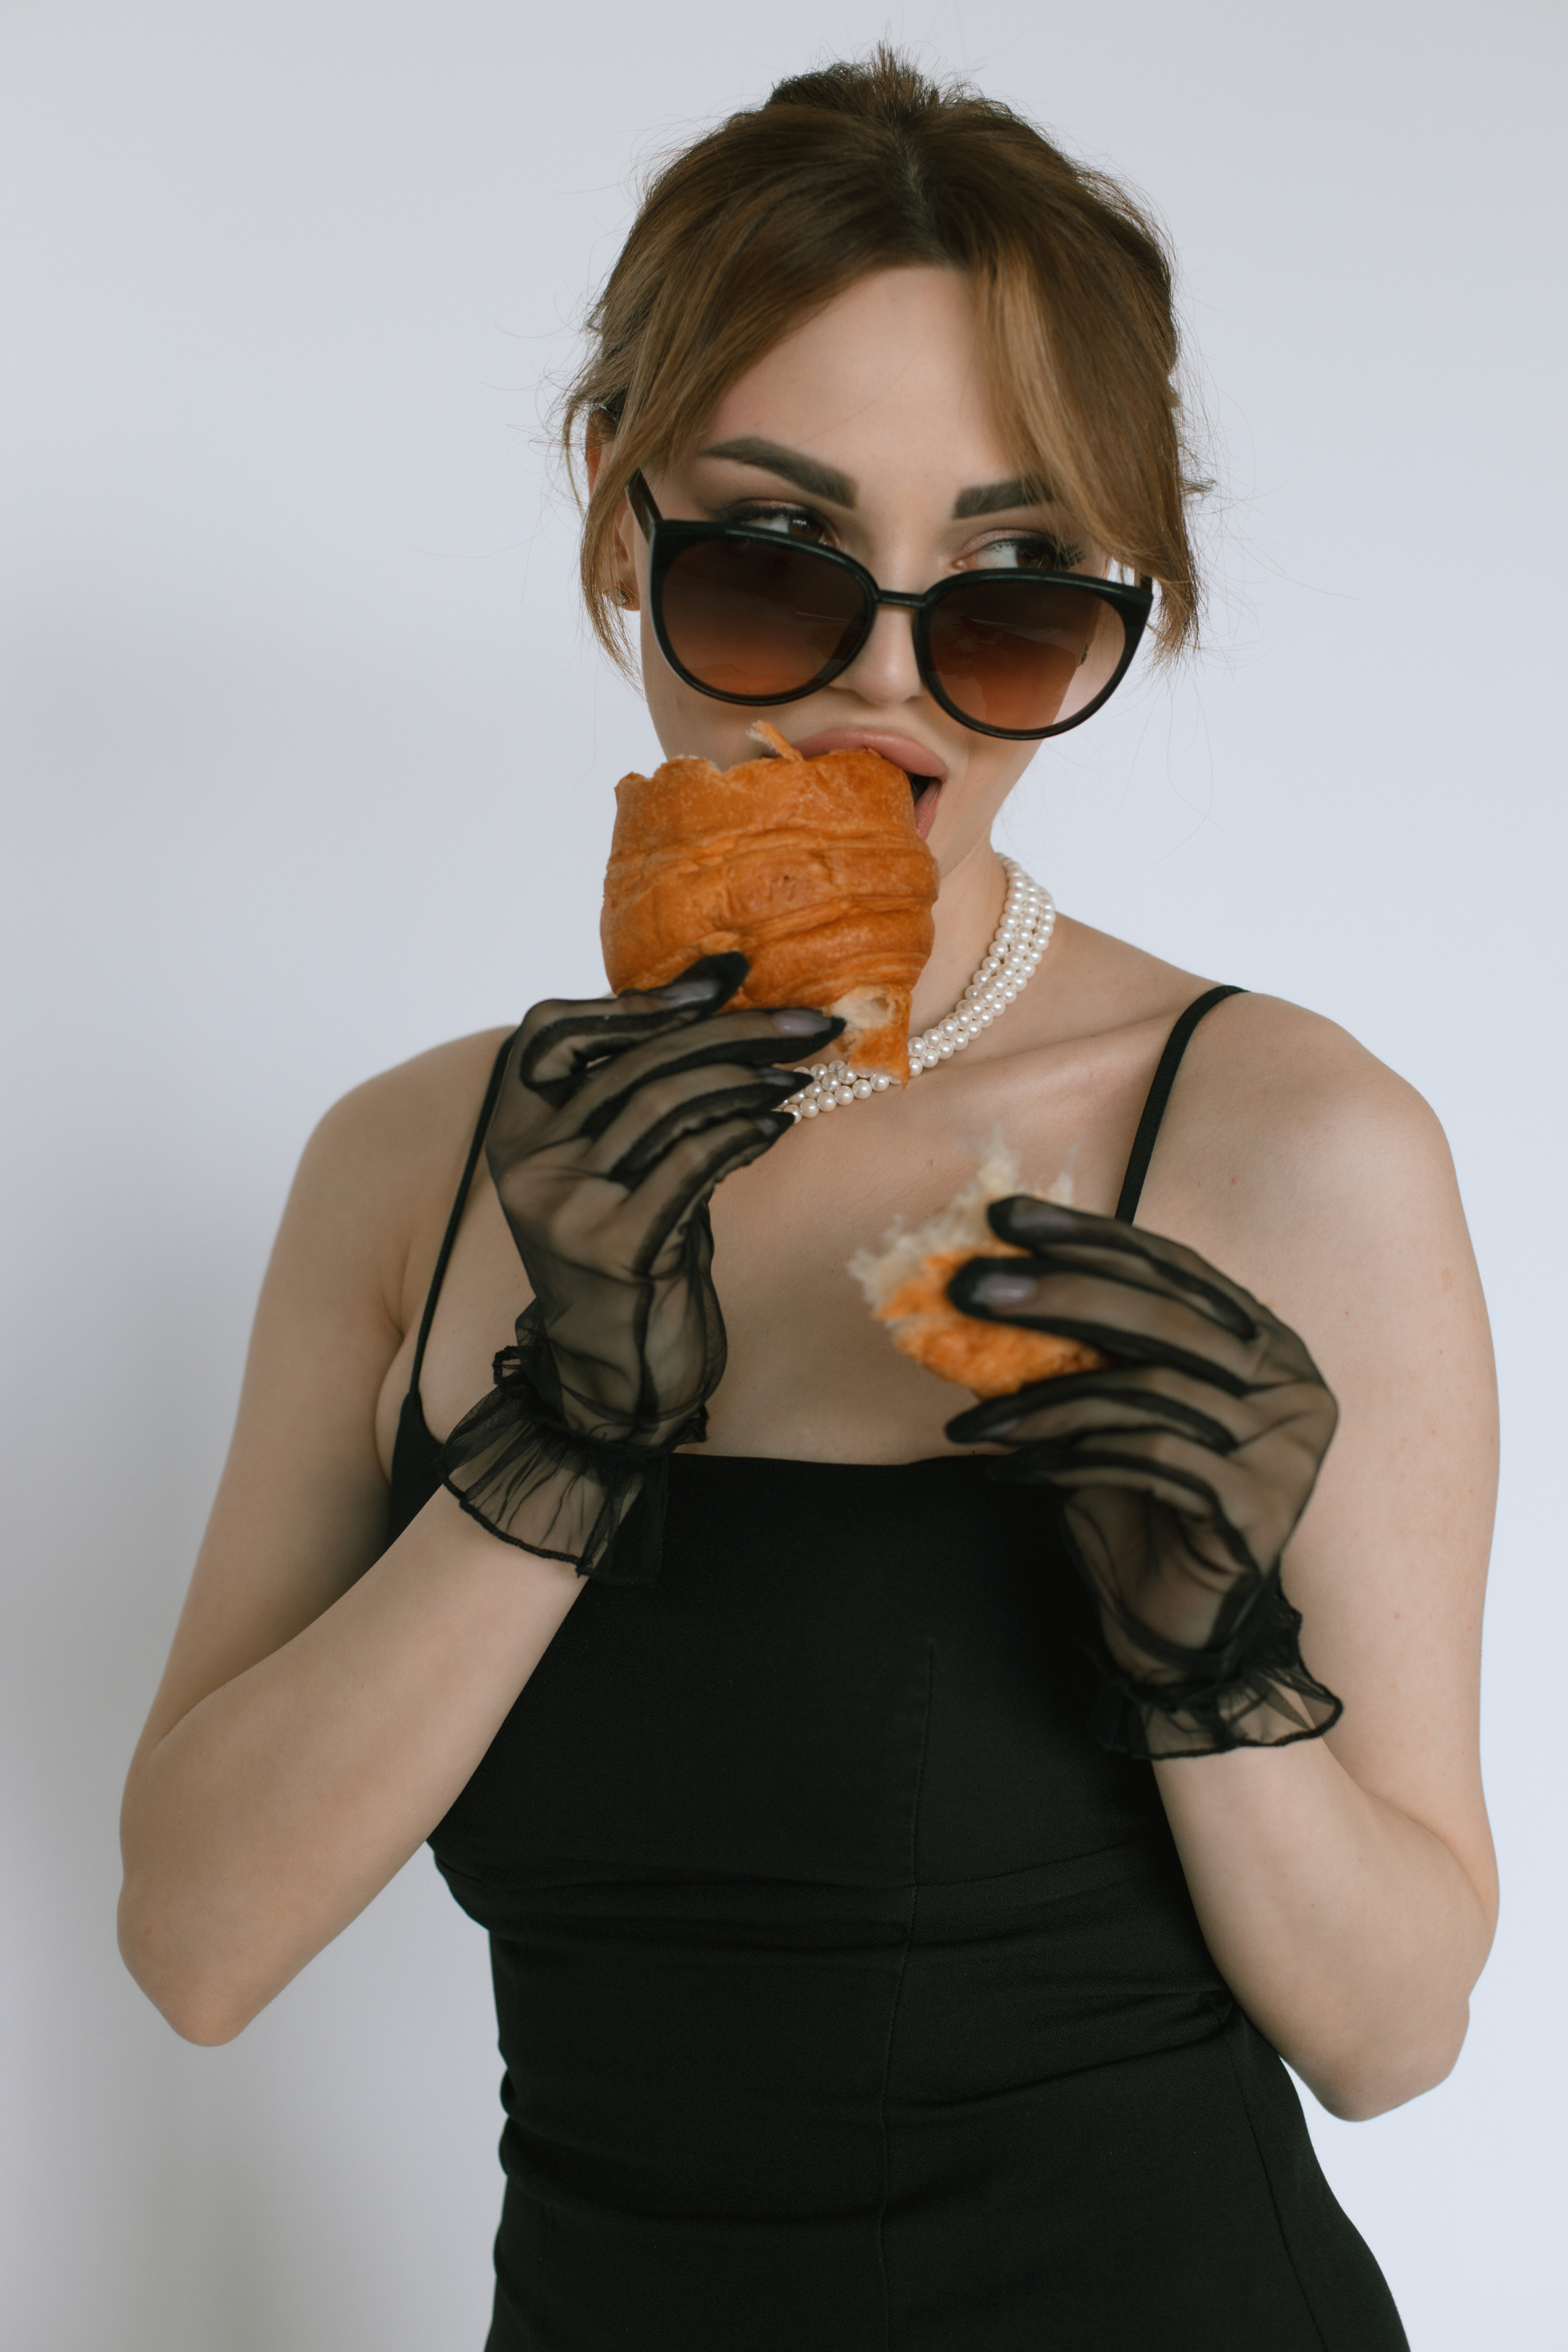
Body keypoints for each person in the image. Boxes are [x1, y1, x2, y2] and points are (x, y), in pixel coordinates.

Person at [118, 51, 1499, 2351]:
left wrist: (1208, 1669)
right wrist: (557, 1442)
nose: (883, 686)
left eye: (1011, 597)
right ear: (619, 518)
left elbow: (1395, 2035)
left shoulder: (1287, 1142)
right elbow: (196, 1945)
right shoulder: (418, 1164)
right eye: (775, 563)